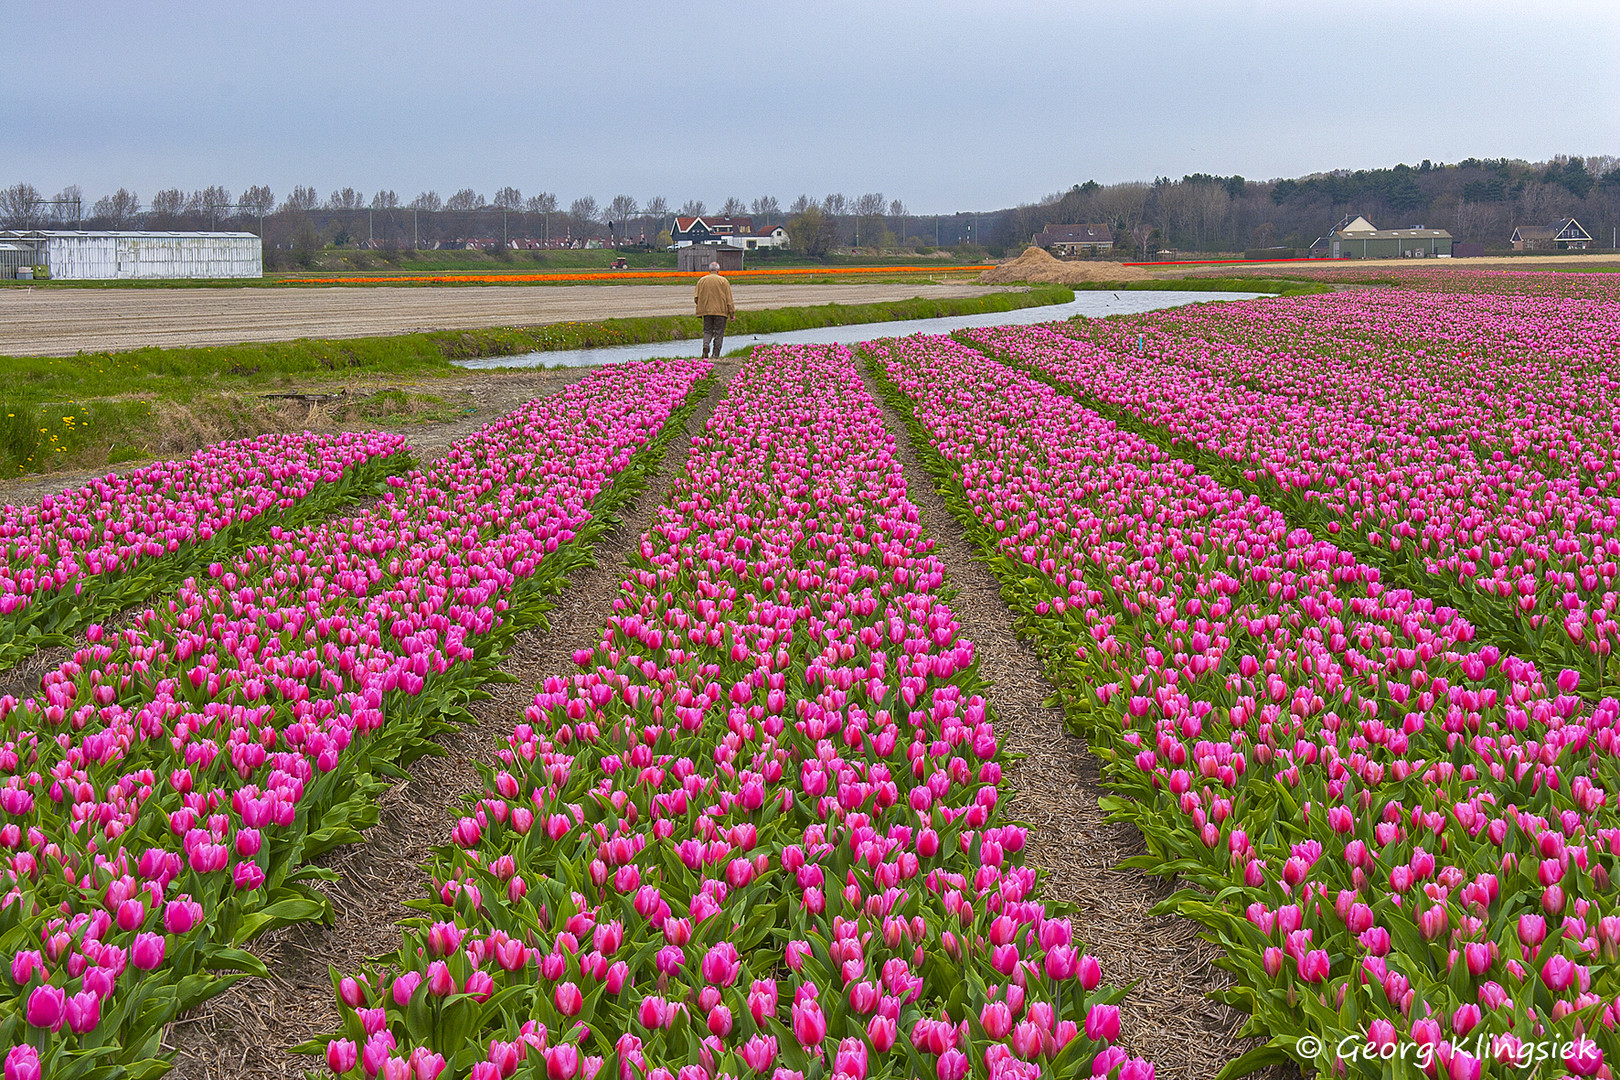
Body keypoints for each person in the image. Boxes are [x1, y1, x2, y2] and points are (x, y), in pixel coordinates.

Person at [694, 260, 735, 358]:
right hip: (721, 312)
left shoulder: (702, 280)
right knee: (719, 333)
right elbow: (729, 299)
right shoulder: (723, 281)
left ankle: (705, 345)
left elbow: (696, 298)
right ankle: (715, 355)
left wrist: (702, 306)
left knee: (707, 331)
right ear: (718, 271)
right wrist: (732, 314)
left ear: (709, 270)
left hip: (706, 311)